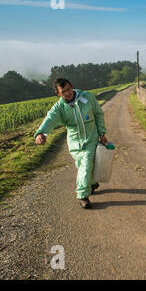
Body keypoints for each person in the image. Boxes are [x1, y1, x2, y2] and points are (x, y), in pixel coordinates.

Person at [34, 78, 108, 209]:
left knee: (86, 164)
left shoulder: (87, 97)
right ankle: (91, 183)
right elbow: (50, 119)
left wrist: (102, 133)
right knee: (82, 165)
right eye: (63, 92)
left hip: (91, 138)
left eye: (68, 89)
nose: (68, 93)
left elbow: (98, 114)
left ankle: (82, 195)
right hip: (74, 142)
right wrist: (41, 133)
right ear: (58, 94)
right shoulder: (59, 108)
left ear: (72, 86)